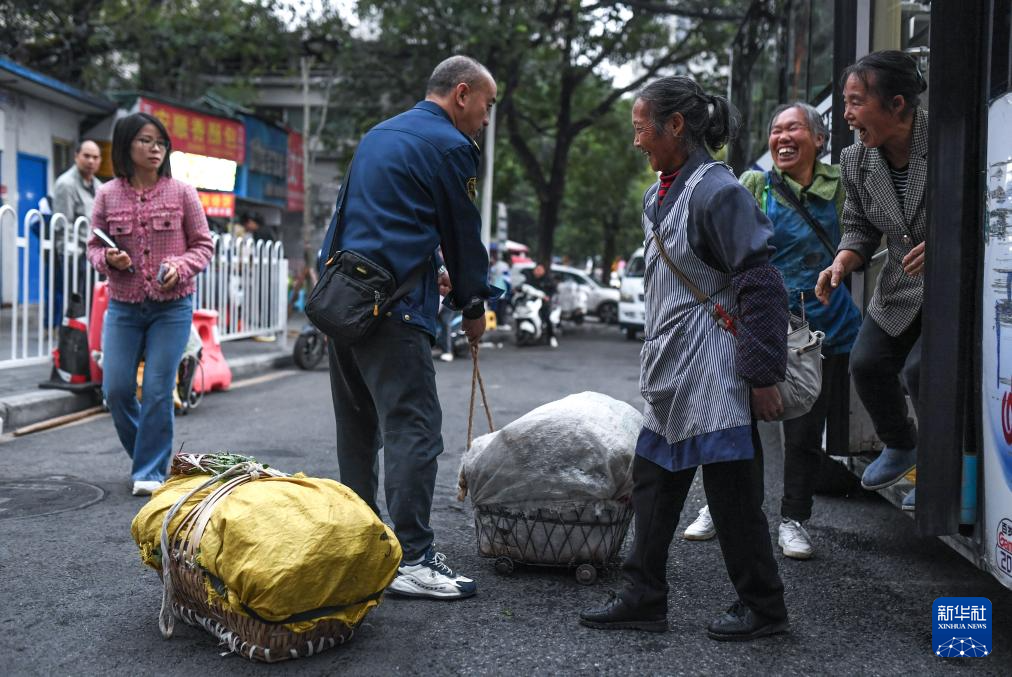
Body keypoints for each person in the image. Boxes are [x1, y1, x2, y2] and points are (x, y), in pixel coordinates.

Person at [579, 76, 790, 640]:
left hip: (719, 369)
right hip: (673, 370)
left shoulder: (719, 191)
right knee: (654, 483)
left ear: (676, 125)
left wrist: (763, 374)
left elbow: (762, 284)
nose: (637, 141)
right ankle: (643, 595)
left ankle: (764, 608)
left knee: (734, 498)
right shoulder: (661, 192)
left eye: (641, 128)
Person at [321, 55, 500, 599]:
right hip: (394, 311)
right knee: (414, 430)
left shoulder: (379, 135)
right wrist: (474, 306)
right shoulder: (449, 146)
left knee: (357, 431)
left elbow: (362, 218)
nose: (486, 121)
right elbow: (462, 234)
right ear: (462, 94)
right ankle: (414, 559)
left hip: (344, 302)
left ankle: (359, 545)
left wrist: (431, 268)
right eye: (487, 106)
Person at [682, 103, 863, 559]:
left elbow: (865, 235)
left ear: (819, 140)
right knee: (738, 424)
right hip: (758, 325)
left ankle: (794, 520)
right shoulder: (754, 185)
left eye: (794, 128)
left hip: (822, 330)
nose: (782, 137)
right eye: (776, 130)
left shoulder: (842, 186)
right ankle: (727, 509)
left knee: (803, 435)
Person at [815, 50, 927, 511]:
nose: (846, 114)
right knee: (866, 364)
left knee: (923, 370)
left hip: (956, 290)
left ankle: (941, 473)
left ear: (896, 104)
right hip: (900, 289)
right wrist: (842, 262)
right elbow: (859, 226)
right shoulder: (855, 159)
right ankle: (902, 444)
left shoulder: (952, 141)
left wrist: (948, 245)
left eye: (856, 101)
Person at [86, 113, 213, 496]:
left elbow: (204, 245)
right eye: (145, 140)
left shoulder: (183, 193)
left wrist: (178, 265)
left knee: (158, 389)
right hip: (123, 307)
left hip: (171, 308)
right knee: (117, 388)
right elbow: (93, 245)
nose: (155, 148)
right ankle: (150, 456)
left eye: (160, 142)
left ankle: (150, 471)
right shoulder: (107, 194)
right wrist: (109, 259)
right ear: (126, 146)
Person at [525, 262, 558, 348]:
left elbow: (553, 291)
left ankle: (552, 337)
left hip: (543, 303)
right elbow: (524, 286)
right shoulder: (530, 279)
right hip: (531, 302)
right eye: (536, 269)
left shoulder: (548, 280)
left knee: (546, 317)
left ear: (543, 270)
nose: (538, 271)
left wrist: (548, 297)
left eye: (540, 269)